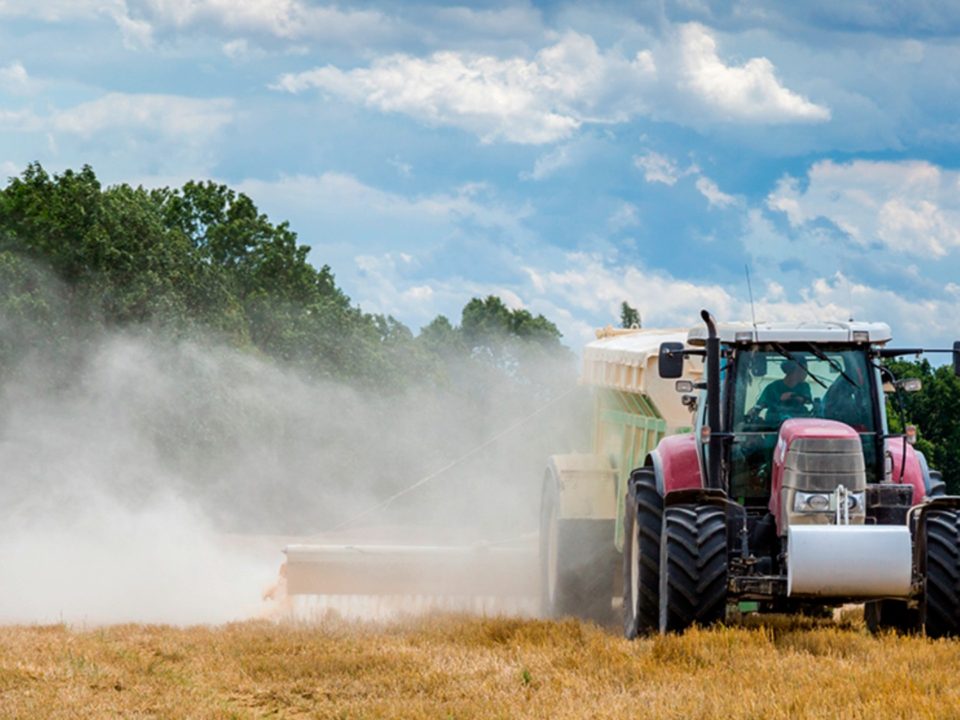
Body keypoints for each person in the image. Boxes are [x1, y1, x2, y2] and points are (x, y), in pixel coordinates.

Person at [754, 358, 812, 424]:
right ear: (793, 370)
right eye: (804, 370)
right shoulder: (773, 387)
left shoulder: (804, 387)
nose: (806, 373)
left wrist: (794, 397)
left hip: (799, 426)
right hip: (774, 428)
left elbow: (808, 401)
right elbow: (759, 406)